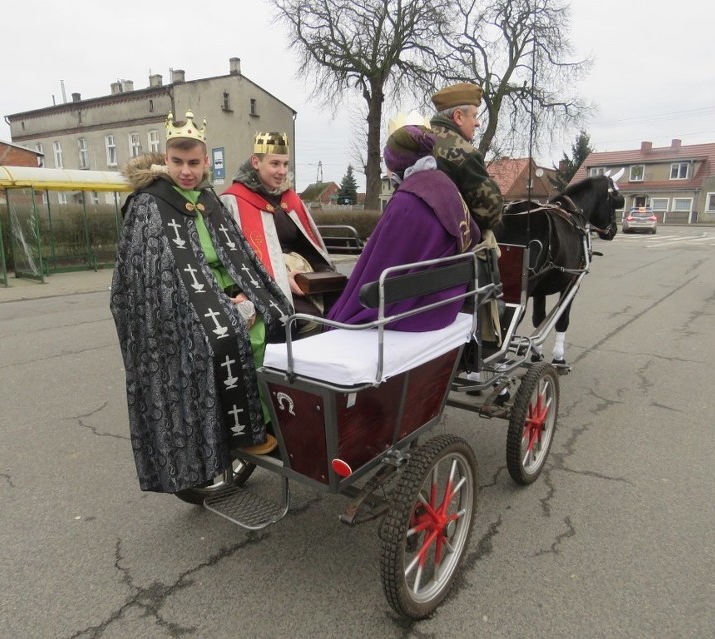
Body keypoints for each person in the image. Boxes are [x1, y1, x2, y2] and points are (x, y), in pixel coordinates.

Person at [109, 111, 291, 494]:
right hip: (183, 305)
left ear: (206, 161)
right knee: (229, 339)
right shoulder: (148, 205)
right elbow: (151, 277)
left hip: (225, 289)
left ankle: (273, 422)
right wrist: (224, 302)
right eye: (178, 162)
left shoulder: (209, 199)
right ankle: (240, 433)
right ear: (166, 158)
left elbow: (235, 253)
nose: (186, 171)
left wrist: (247, 291)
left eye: (194, 163)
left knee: (277, 319)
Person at [326, 120, 480, 331]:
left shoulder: (408, 201)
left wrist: (341, 312)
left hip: (416, 313)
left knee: (339, 313)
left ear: (395, 163)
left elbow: (374, 267)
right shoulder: (445, 185)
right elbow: (472, 233)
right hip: (446, 305)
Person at [220, 132, 335, 332]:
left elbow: (309, 246)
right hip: (260, 286)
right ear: (256, 162)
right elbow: (231, 257)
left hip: (301, 279)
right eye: (275, 164)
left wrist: (324, 275)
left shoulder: (290, 199)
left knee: (340, 308)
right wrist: (279, 280)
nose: (282, 171)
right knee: (310, 321)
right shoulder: (233, 201)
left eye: (285, 164)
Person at [430, 82, 504, 233]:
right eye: (474, 116)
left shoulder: (418, 139)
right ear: (458, 117)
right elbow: (491, 214)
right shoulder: (465, 153)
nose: (477, 123)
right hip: (451, 246)